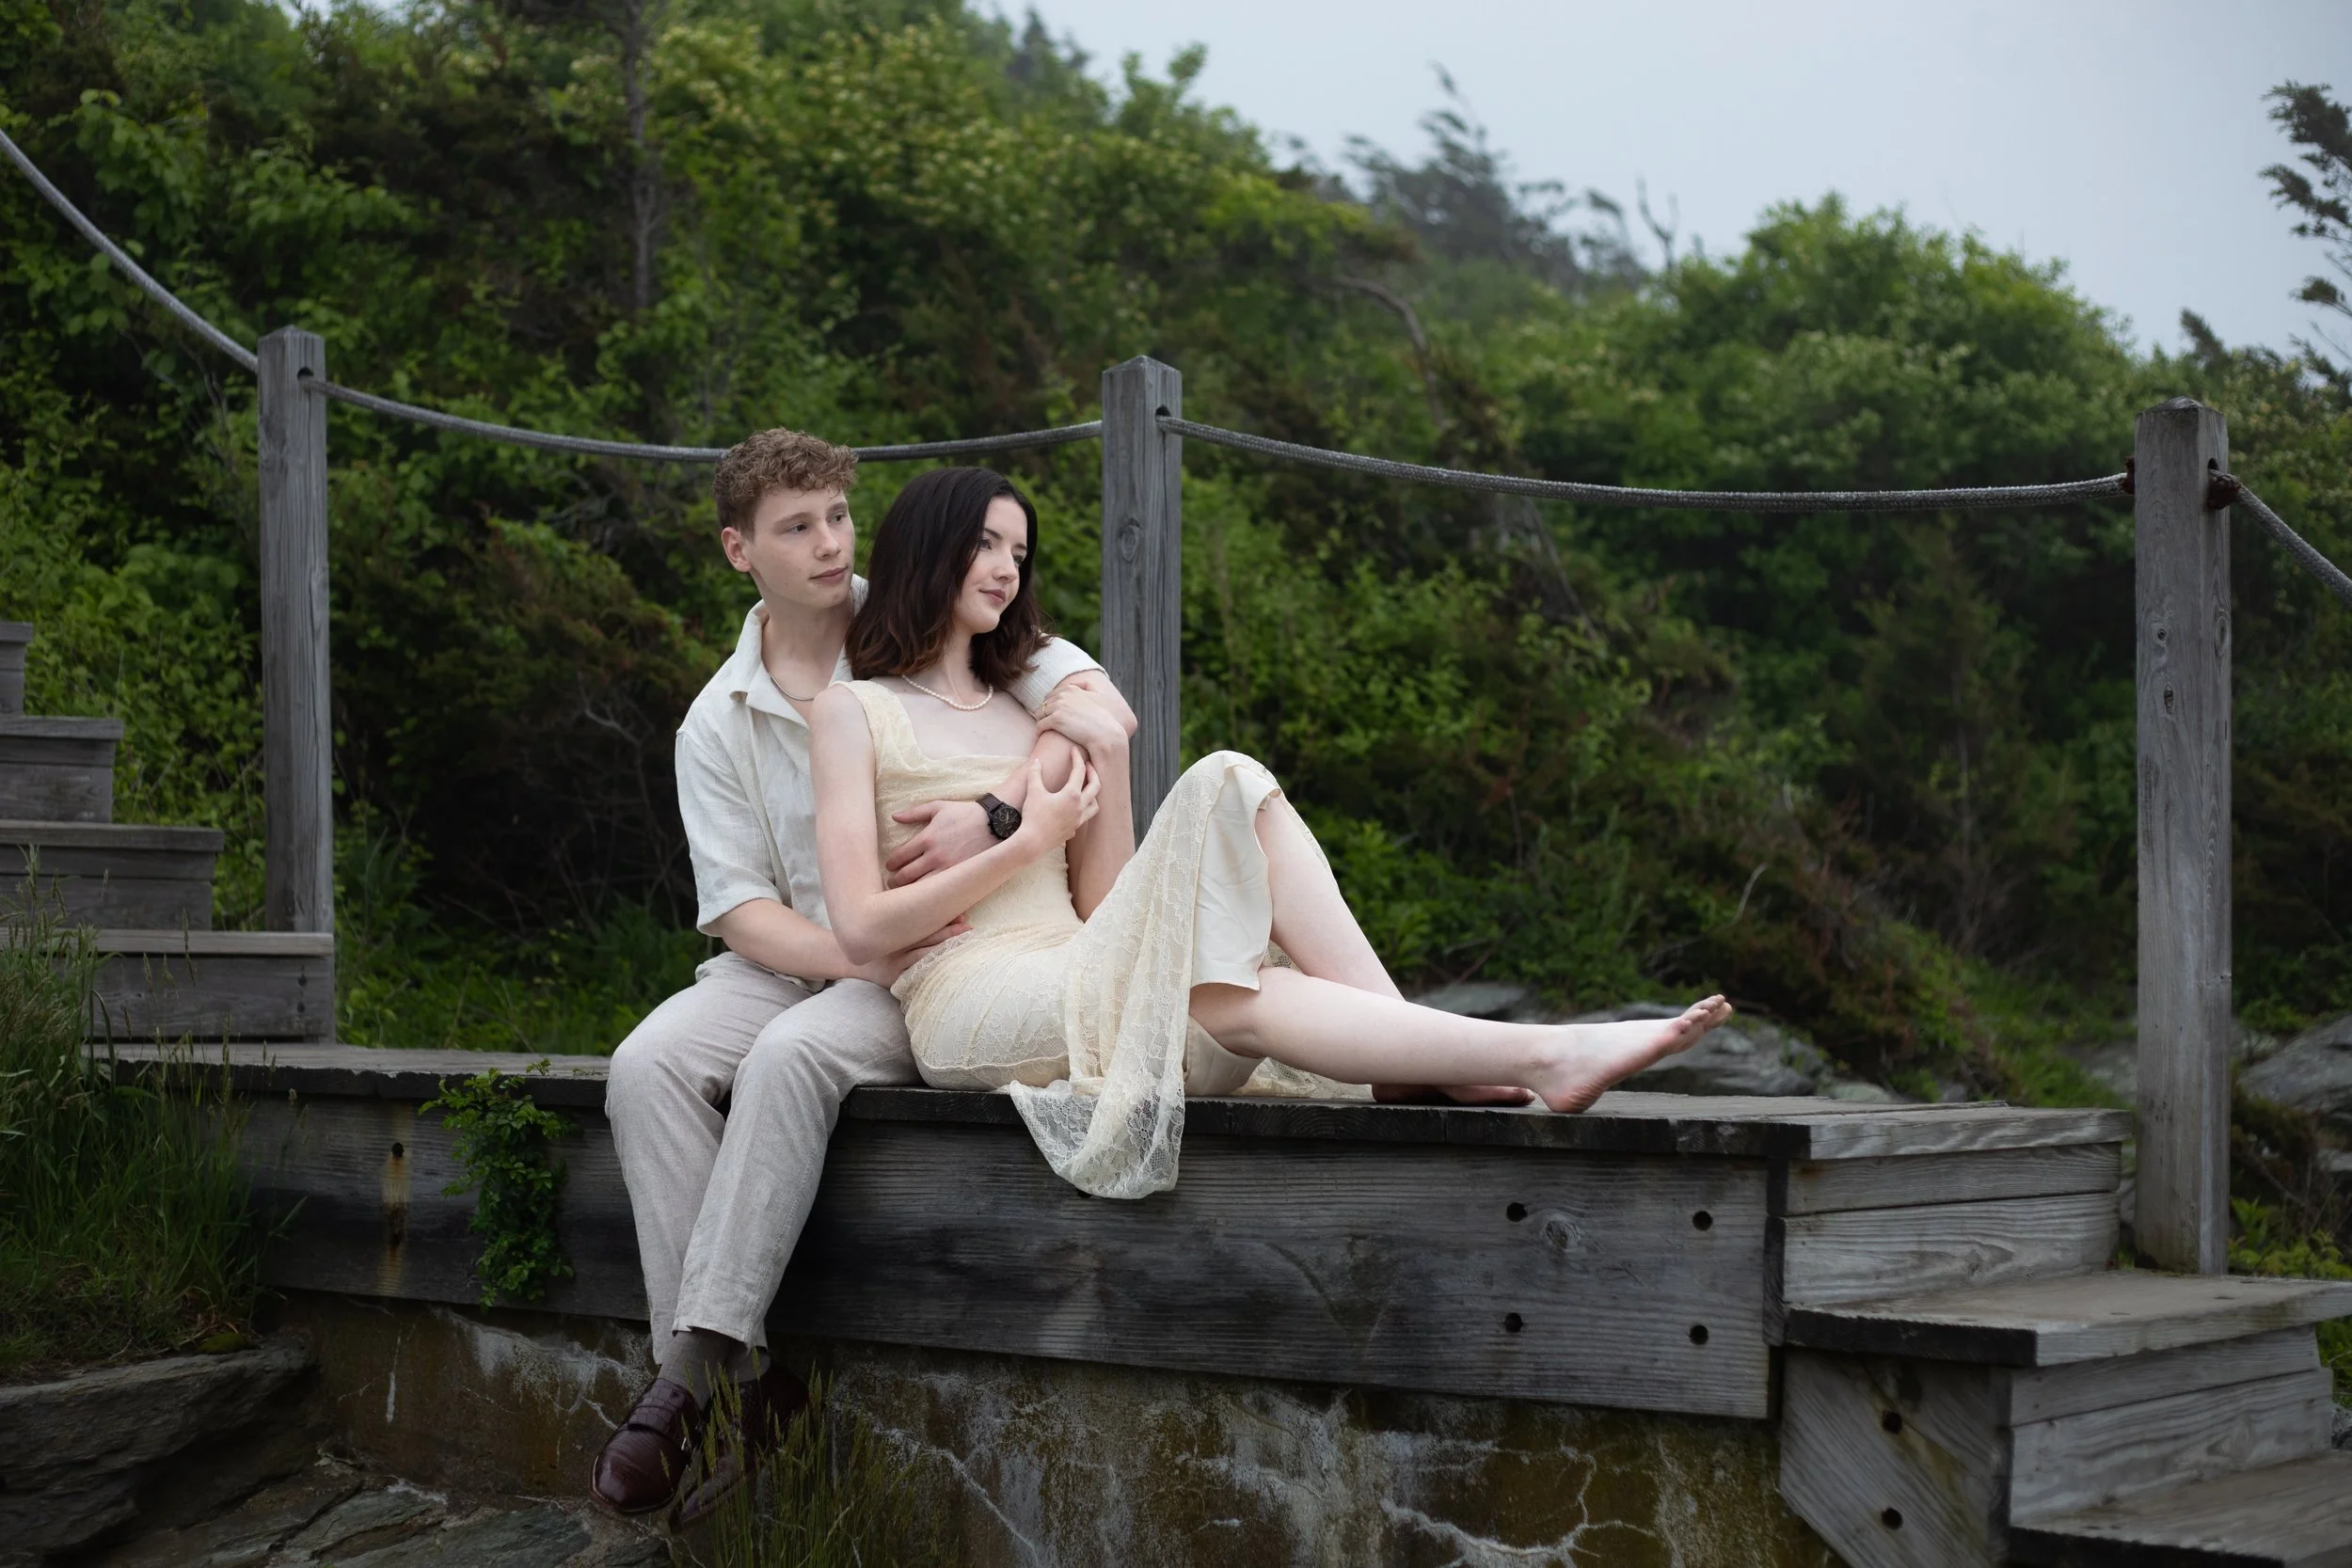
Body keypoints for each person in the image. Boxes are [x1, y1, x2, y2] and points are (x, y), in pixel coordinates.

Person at [809, 466, 1733, 1202]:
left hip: (1079, 961)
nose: (1008, 569)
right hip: (970, 998)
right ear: (928, 549)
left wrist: (1107, 770)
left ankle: (1486, 1056)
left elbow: (1104, 902)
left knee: (1235, 958)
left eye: (1019, 549)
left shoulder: (1038, 707)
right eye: (984, 543)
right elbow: (859, 930)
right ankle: (1522, 1050)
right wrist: (1018, 839)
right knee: (1220, 785)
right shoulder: (853, 712)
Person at [591, 431, 1135, 1521]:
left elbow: (1081, 690)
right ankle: (743, 1384)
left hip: (936, 953)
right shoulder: (716, 718)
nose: (832, 543)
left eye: (839, 515)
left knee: (796, 1055)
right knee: (644, 1063)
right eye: (799, 526)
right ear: (740, 550)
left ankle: (680, 1388)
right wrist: (862, 937)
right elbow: (742, 909)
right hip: (810, 953)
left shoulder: (926, 604)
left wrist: (998, 807)